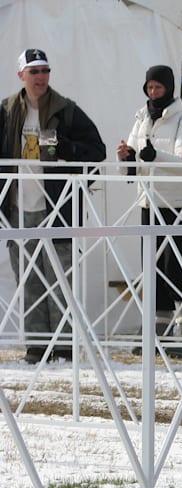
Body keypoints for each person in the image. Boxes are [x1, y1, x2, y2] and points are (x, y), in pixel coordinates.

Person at [1, 48, 105, 364]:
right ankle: (36, 345)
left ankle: (63, 345)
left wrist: (66, 149)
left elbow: (96, 151)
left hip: (58, 206)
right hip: (19, 205)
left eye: (45, 70)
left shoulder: (67, 110)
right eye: (34, 71)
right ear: (21, 75)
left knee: (60, 278)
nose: (41, 77)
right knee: (28, 279)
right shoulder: (6, 111)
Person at [116, 65, 182, 345]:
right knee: (152, 267)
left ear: (169, 89)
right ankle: (158, 326)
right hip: (149, 201)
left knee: (177, 267)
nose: (154, 93)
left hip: (180, 204)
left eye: (159, 88)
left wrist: (156, 156)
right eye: (150, 88)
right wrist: (126, 158)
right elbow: (133, 161)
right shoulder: (141, 118)